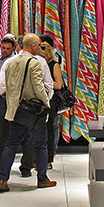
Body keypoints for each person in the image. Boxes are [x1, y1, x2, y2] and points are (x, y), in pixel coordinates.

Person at [0, 33, 55, 192]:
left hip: (15, 110)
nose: (40, 48)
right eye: (39, 45)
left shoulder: (9, 62)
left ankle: (3, 179)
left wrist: (9, 94)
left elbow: (0, 86)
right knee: (40, 145)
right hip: (33, 111)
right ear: (33, 46)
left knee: (11, 144)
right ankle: (42, 179)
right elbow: (39, 87)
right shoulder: (36, 62)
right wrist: (46, 103)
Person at [39, 34, 64, 168]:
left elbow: (59, 85)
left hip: (50, 101)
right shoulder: (37, 65)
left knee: (50, 130)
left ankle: (48, 159)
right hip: (38, 100)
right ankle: (38, 158)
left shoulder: (54, 65)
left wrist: (44, 83)